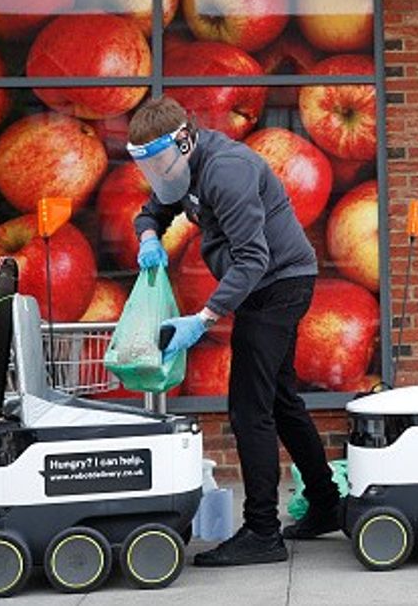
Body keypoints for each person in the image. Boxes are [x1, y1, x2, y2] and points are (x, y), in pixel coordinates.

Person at [127, 96, 342, 567]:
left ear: (184, 142)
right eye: (146, 167)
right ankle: (327, 505)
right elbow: (153, 210)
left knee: (249, 409)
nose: (156, 175)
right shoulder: (179, 172)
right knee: (281, 401)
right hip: (261, 288)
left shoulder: (228, 171)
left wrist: (203, 319)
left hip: (279, 285)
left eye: (158, 163)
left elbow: (253, 259)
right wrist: (147, 236)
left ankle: (263, 532)